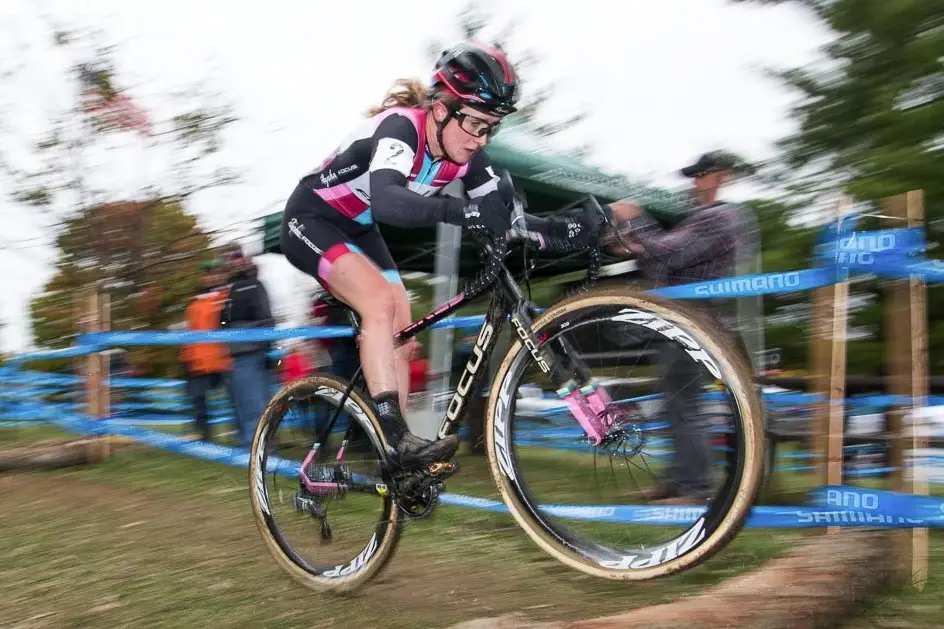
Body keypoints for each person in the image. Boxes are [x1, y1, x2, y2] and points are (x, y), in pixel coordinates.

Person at [279, 41, 605, 470]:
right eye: (473, 123)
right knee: (378, 301)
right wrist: (463, 210)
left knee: (403, 332)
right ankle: (396, 439)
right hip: (311, 217)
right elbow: (390, 204)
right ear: (440, 108)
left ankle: (392, 451)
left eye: (491, 127)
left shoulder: (467, 152)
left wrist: (565, 229)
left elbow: (505, 218)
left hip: (358, 229)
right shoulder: (400, 128)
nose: (480, 139)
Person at [603, 150, 756, 504]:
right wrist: (637, 246)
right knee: (676, 402)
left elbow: (672, 254)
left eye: (701, 174)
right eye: (693, 175)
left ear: (721, 176)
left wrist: (636, 219)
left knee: (686, 405)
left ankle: (696, 487)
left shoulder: (721, 217)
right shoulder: (701, 218)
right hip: (682, 324)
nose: (694, 181)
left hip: (696, 325)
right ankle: (678, 481)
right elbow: (667, 263)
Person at [221, 246, 277, 447]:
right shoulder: (230, 291)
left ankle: (261, 452)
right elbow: (224, 323)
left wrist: (264, 346)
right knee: (245, 406)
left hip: (251, 353)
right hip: (237, 356)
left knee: (255, 406)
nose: (235, 261)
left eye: (239, 258)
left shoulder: (254, 286)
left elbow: (266, 319)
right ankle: (252, 448)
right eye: (232, 259)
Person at [180, 259, 232, 443]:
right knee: (199, 405)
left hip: (224, 361)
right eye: (208, 274)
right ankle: (205, 441)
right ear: (203, 277)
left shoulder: (227, 297)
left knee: (236, 402)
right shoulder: (194, 304)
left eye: (215, 273)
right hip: (199, 363)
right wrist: (186, 360)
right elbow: (189, 333)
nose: (212, 277)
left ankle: (245, 438)